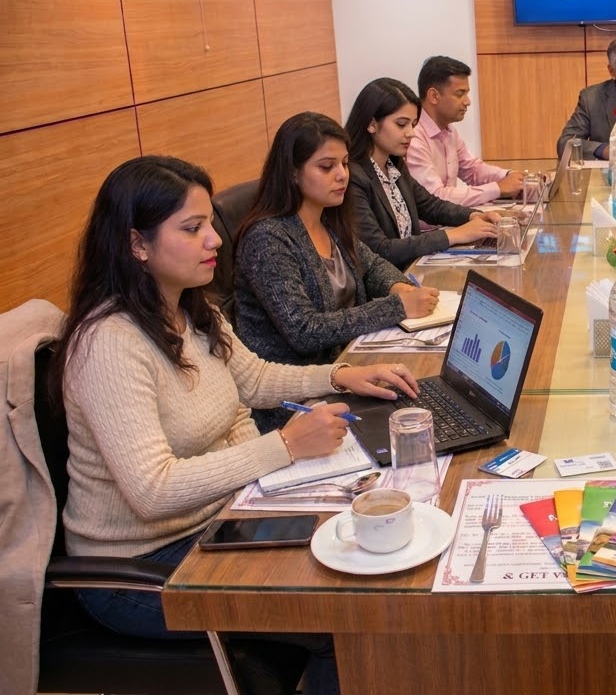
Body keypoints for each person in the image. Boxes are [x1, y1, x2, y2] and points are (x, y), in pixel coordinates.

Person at [52, 155, 422, 695]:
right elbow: (153, 491)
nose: (214, 241)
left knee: (360, 545)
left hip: (223, 516)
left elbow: (255, 380)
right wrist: (285, 447)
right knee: (344, 615)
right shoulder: (108, 344)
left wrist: (344, 375)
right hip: (141, 566)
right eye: (192, 228)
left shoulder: (188, 309)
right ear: (137, 244)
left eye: (209, 224)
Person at [235, 112, 438, 429]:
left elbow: (371, 266)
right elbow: (304, 330)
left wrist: (399, 288)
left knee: (425, 395)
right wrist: (396, 306)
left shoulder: (327, 218)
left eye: (344, 164)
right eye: (327, 167)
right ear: (292, 173)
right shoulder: (267, 238)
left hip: (347, 367)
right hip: (295, 403)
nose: (342, 175)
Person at [346, 77, 498, 268]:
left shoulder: (394, 165)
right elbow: (379, 249)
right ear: (372, 124)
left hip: (412, 271)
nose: (411, 133)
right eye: (401, 124)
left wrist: (473, 216)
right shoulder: (352, 177)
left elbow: (429, 205)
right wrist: (454, 235)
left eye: (413, 124)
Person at [406, 55, 524, 206]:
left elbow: (473, 170)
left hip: (450, 221)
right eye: (460, 94)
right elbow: (435, 197)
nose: (467, 101)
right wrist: (498, 188)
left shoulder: (449, 131)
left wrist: (511, 176)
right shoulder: (413, 136)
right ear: (434, 96)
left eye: (467, 93)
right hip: (430, 228)